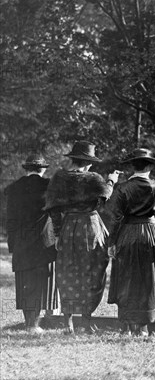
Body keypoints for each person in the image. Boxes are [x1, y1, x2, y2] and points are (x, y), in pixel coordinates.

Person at [44, 141, 119, 334]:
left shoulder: (59, 177)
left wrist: (59, 233)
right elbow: (105, 198)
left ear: (73, 159)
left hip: (68, 227)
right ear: (88, 162)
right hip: (90, 227)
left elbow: (53, 209)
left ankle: (68, 322)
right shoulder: (93, 178)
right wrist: (111, 181)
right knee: (93, 270)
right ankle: (86, 319)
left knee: (67, 271)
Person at [106, 148, 155, 336]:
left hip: (127, 233)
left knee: (126, 277)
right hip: (150, 234)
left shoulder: (122, 188)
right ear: (150, 166)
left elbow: (116, 218)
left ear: (132, 166)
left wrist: (112, 242)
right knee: (148, 279)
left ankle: (126, 327)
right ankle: (143, 328)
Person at [5, 155, 58, 333]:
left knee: (24, 281)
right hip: (45, 241)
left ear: (26, 169)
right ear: (42, 169)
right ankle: (36, 323)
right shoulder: (49, 186)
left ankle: (30, 323)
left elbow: (9, 219)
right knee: (44, 281)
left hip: (21, 241)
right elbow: (56, 214)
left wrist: (12, 243)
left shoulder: (13, 189)